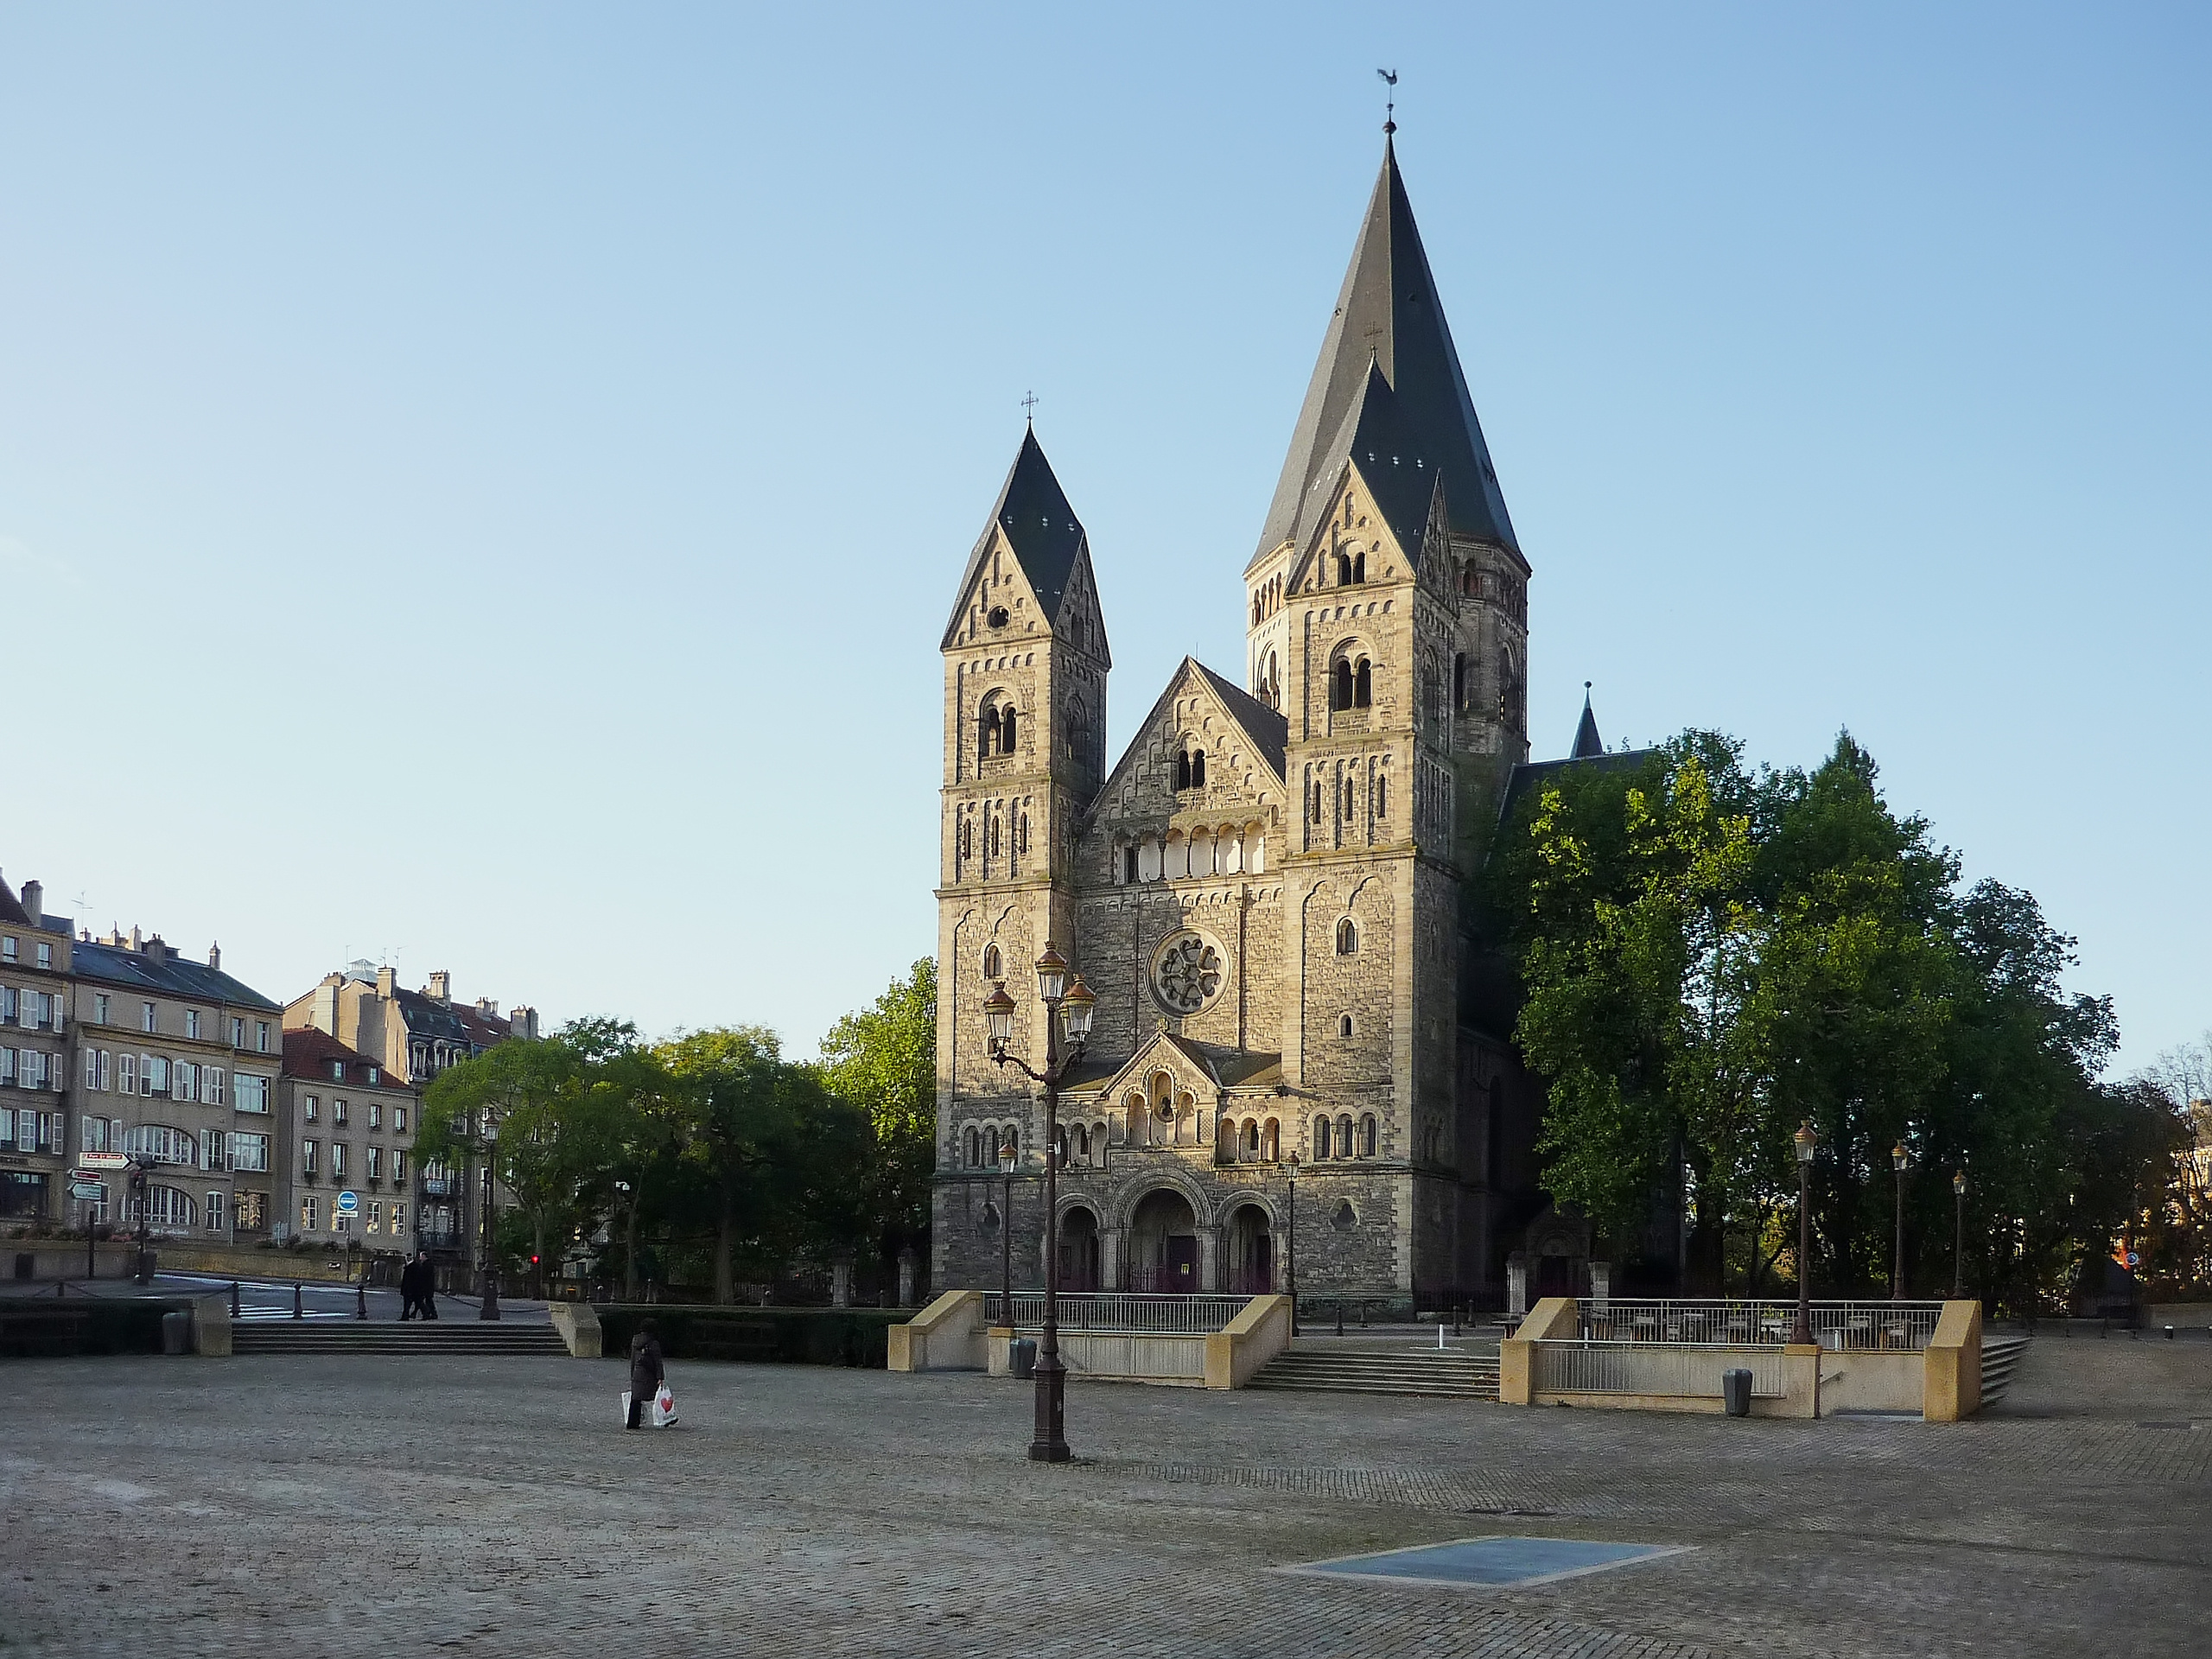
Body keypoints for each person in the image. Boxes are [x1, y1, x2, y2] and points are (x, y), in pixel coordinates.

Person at [626, 1319, 664, 1430]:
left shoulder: (635, 1340)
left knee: (635, 1399)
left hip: (637, 1372)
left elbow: (633, 1358)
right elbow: (657, 1361)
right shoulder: (653, 1343)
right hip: (648, 1373)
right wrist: (660, 1376)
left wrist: (633, 1373)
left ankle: (632, 1422)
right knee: (649, 1396)